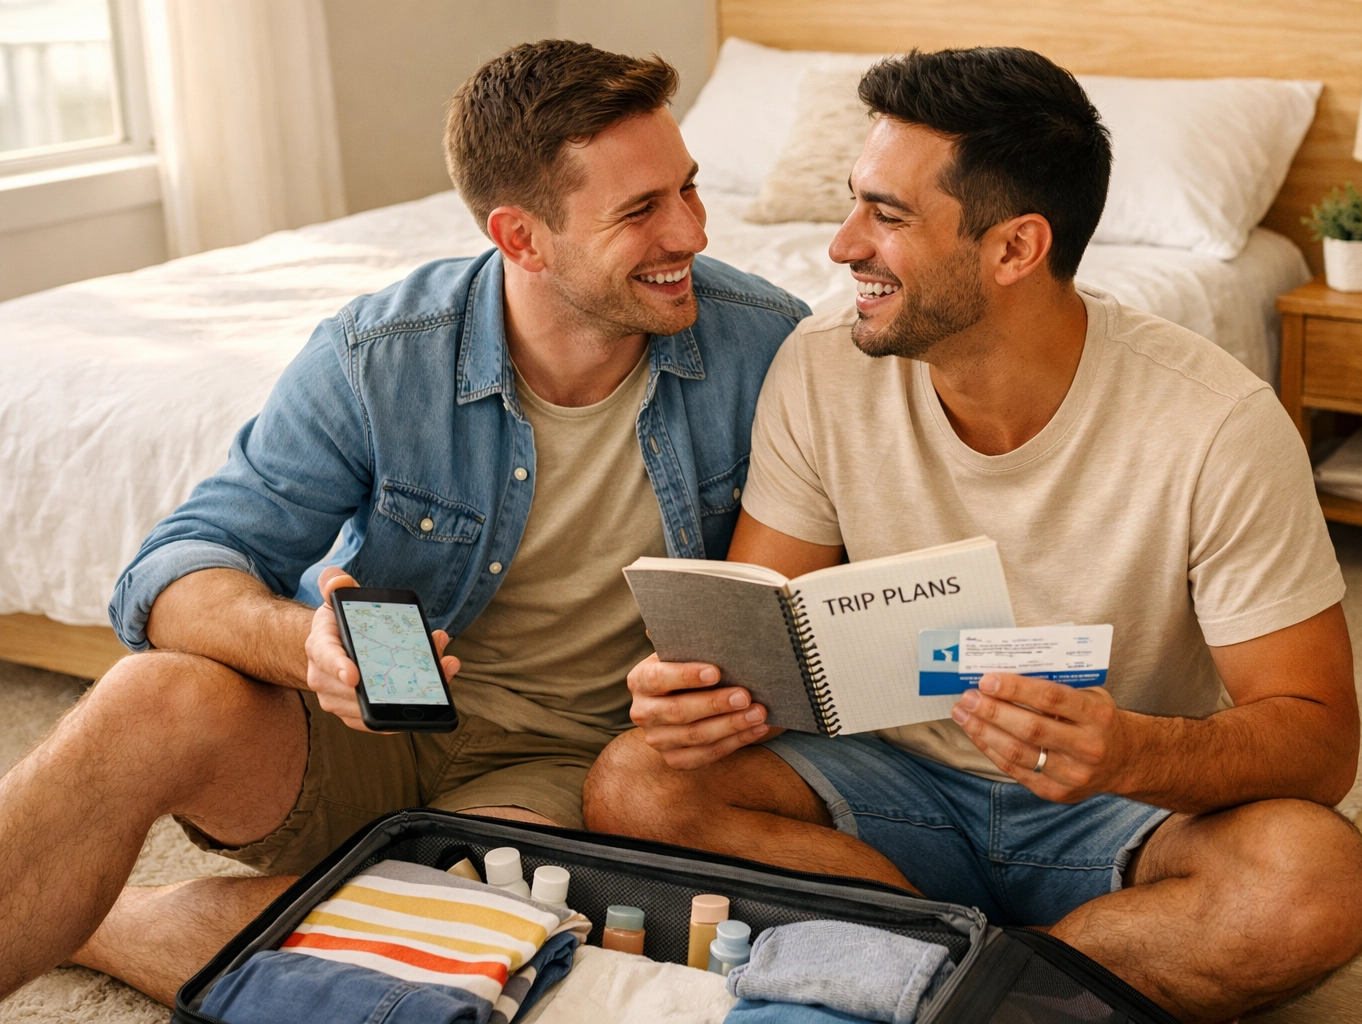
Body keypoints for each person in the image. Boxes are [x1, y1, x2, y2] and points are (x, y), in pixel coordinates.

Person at [583, 46, 1362, 1024]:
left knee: (1316, 881)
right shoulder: (822, 366)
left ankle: (928, 977)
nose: (841, 247)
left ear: (1015, 249)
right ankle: (1010, 987)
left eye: (887, 214)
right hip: (891, 789)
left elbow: (1318, 738)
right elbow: (755, 632)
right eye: (853, 203)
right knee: (636, 782)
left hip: (1118, 810)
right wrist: (699, 698)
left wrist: (1128, 752)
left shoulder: (1215, 423)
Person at [0, 40, 808, 1003]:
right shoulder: (378, 355)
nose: (691, 233)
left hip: (554, 765)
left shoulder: (770, 346)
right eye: (641, 210)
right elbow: (173, 570)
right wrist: (304, 642)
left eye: (689, 188)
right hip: (365, 718)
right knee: (148, 695)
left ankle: (110, 918)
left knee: (464, 945)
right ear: (520, 237)